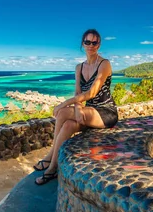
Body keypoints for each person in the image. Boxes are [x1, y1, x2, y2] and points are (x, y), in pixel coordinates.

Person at [34, 29, 118, 185]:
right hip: (88, 111)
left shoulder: (104, 64)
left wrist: (64, 103)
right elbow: (78, 92)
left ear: (99, 45)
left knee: (64, 112)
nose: (91, 45)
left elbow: (92, 92)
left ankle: (51, 166)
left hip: (105, 113)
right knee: (68, 125)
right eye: (87, 42)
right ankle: (53, 162)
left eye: (94, 42)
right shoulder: (79, 67)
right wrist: (78, 109)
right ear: (82, 44)